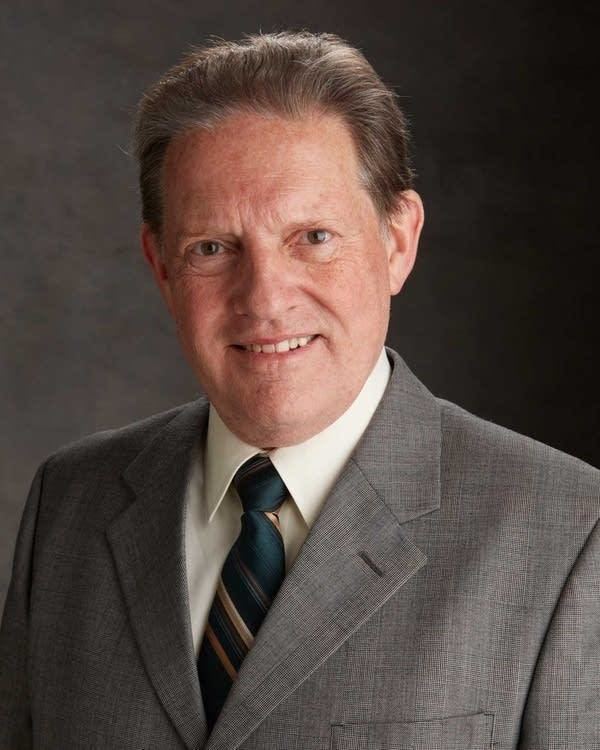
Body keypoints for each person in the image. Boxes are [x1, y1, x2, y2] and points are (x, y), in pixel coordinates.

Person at [1, 31, 598, 750]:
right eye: (212, 249)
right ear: (161, 267)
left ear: (397, 241)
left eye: (312, 237)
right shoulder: (71, 503)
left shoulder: (567, 532)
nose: (265, 299)